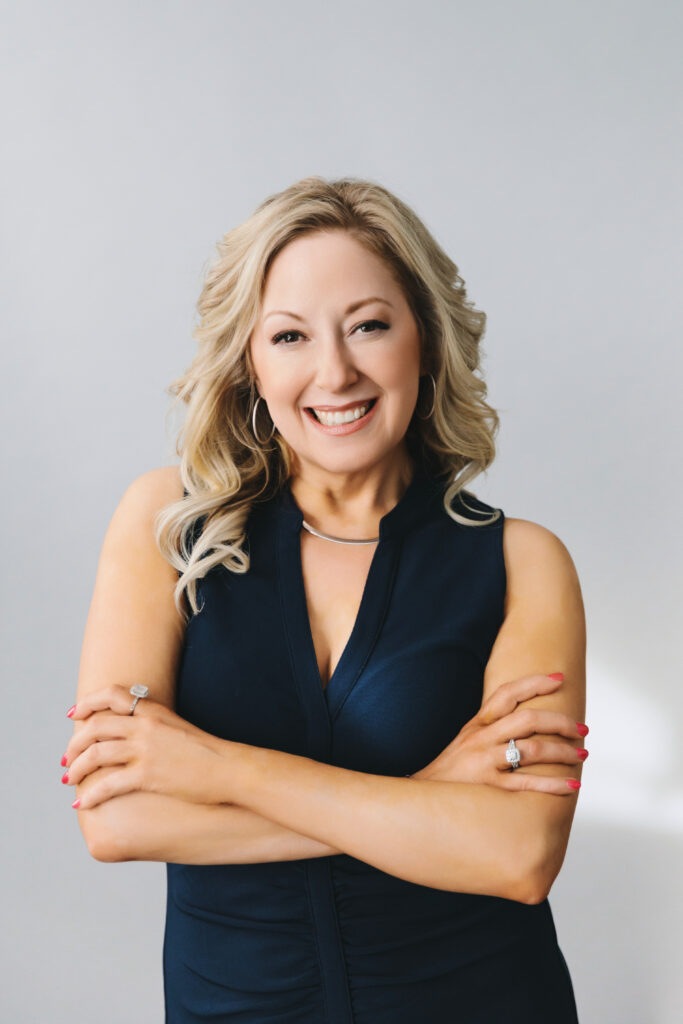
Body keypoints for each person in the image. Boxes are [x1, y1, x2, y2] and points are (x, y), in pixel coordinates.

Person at [62, 176, 587, 1022]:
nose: (334, 373)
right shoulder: (167, 525)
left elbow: (517, 855)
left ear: (425, 339)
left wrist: (217, 768)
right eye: (290, 336)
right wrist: (425, 799)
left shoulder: (520, 561)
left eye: (369, 326)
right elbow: (116, 820)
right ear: (251, 361)